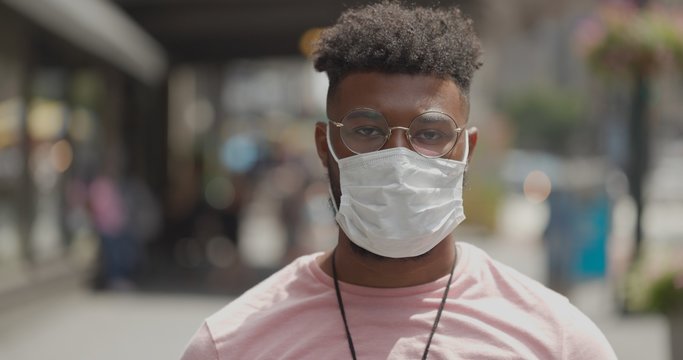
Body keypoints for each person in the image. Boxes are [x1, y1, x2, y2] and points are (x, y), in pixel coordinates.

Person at [181, 2, 617, 359]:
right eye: (367, 131)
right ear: (324, 144)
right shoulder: (233, 346)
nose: (399, 159)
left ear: (469, 149)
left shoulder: (556, 342)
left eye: (431, 133)